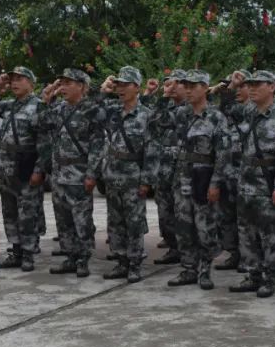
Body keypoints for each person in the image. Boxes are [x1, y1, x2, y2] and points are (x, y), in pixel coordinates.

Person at [225, 70, 275, 298]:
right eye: (250, 85)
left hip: (267, 186)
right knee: (246, 233)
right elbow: (226, 110)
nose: (252, 88)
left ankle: (269, 278)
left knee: (271, 234)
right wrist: (232, 87)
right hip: (246, 184)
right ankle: (252, 274)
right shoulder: (249, 112)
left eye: (257, 85)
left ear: (272, 87)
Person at [89, 66, 159, 282]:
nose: (120, 89)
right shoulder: (111, 111)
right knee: (115, 222)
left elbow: (152, 151)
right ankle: (121, 262)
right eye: (118, 84)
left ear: (137, 87)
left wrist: (147, 181)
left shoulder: (147, 116)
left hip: (133, 178)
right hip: (112, 176)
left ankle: (135, 264)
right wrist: (102, 91)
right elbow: (89, 112)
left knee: (134, 222)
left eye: (125, 84)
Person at [0, 66, 50, 272]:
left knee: (27, 213)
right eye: (12, 80)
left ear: (31, 83)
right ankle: (16, 250)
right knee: (9, 212)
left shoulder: (38, 107)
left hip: (26, 168)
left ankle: (29, 253)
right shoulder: (8, 105)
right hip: (6, 169)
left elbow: (45, 143)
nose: (15, 83)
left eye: (20, 79)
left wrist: (39, 170)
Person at [168, 69, 229, 290]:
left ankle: (205, 270)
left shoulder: (216, 117)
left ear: (205, 87)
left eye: (193, 86)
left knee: (205, 228)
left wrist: (216, 182)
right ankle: (188, 268)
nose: (189, 90)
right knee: (183, 227)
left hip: (203, 180)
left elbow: (223, 154)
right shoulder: (180, 114)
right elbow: (156, 121)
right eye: (186, 86)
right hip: (181, 179)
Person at [41, 68, 101, 278]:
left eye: (69, 83)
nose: (63, 87)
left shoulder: (91, 110)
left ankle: (83, 258)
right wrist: (46, 100)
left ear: (82, 87)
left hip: (79, 174)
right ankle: (70, 256)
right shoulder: (58, 109)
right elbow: (39, 124)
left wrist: (92, 174)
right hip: (59, 174)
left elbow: (97, 145)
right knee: (63, 219)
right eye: (62, 83)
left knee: (81, 218)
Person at [211, 70, 251, 272]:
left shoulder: (252, 111)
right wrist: (227, 88)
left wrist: (233, 87)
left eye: (242, 86)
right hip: (228, 173)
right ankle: (234, 253)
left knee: (246, 220)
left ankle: (248, 257)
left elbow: (231, 107)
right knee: (226, 217)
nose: (237, 90)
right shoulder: (228, 112)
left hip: (247, 176)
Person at [148, 70, 187, 265]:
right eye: (168, 84)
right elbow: (153, 123)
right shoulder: (166, 108)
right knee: (165, 214)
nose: (171, 87)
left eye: (176, 83)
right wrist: (163, 98)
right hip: (163, 170)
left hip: (184, 172)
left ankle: (189, 252)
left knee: (184, 214)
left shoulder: (192, 109)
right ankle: (173, 248)